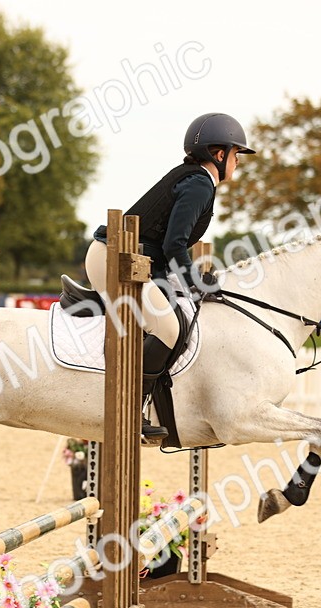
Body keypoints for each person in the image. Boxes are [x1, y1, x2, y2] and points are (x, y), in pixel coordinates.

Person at [84, 112, 254, 440]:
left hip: (133, 260)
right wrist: (196, 283)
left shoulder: (194, 179)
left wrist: (186, 285)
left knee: (177, 314)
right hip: (115, 258)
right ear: (219, 155)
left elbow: (164, 249)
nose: (237, 163)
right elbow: (174, 244)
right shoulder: (199, 184)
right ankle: (128, 409)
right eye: (236, 155)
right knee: (169, 327)